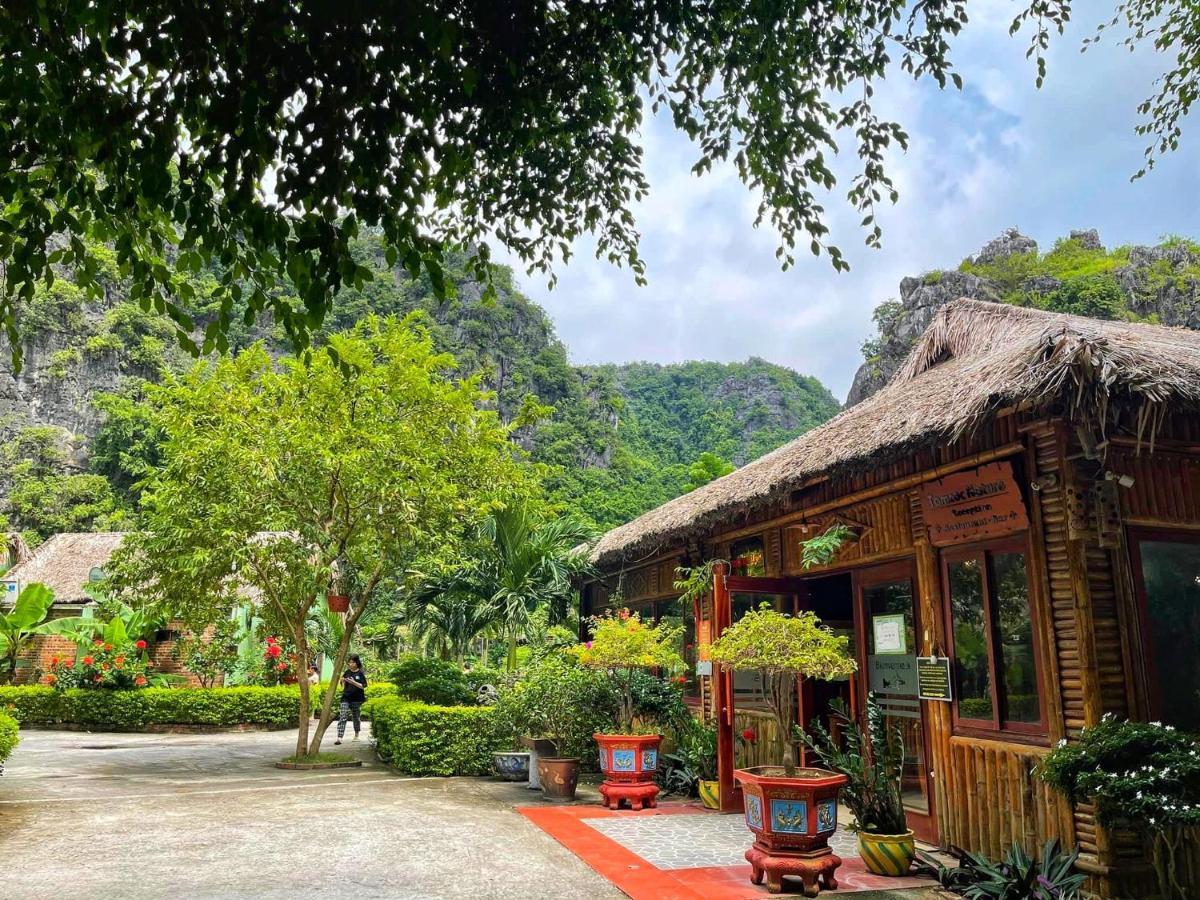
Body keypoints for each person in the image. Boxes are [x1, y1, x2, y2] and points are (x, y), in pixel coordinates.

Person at [334, 655, 367, 745]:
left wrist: (353, 682)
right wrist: (343, 681)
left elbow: (363, 686)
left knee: (356, 717)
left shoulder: (360, 673)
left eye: (353, 662)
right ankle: (339, 737)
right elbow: (343, 686)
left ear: (357, 663)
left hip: (357, 699)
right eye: (350, 662)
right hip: (346, 697)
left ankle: (356, 735)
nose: (351, 664)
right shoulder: (347, 672)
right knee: (343, 715)